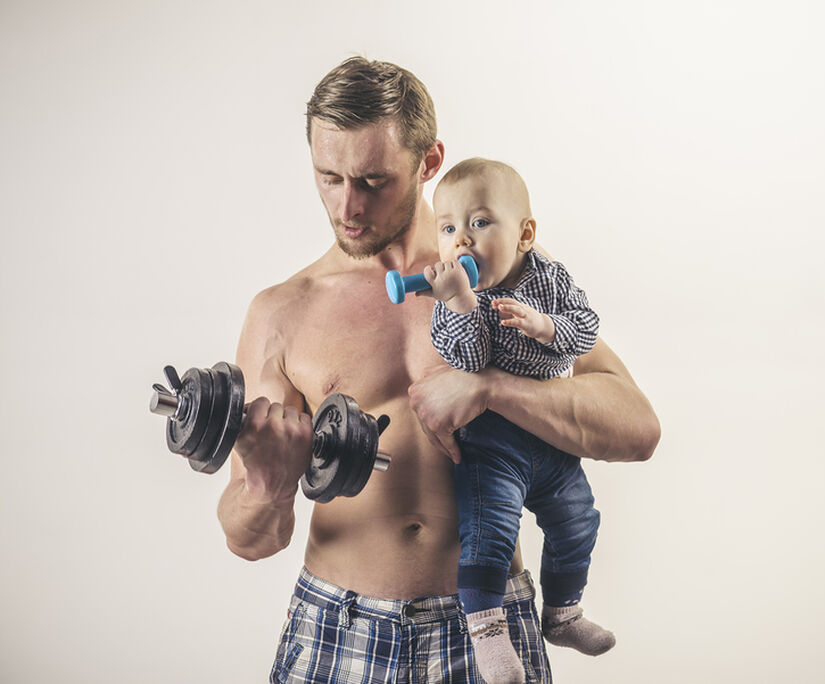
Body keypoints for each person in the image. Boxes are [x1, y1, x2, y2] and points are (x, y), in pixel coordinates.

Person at [215, 56, 660, 684]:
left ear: (429, 162)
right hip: (342, 628)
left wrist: (488, 388)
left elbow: (637, 428)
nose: (349, 206)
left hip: (488, 628)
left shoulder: (511, 274)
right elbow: (249, 539)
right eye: (329, 177)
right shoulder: (283, 313)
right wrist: (267, 485)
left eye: (373, 180)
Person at [421, 158, 614, 683]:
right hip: (492, 442)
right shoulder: (454, 298)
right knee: (490, 532)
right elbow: (468, 361)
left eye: (479, 223)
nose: (461, 241)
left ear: (525, 234)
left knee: (579, 519)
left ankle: (563, 614)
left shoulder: (550, 277)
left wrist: (548, 327)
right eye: (448, 229)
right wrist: (461, 304)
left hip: (550, 434)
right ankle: (488, 635)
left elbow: (587, 327)